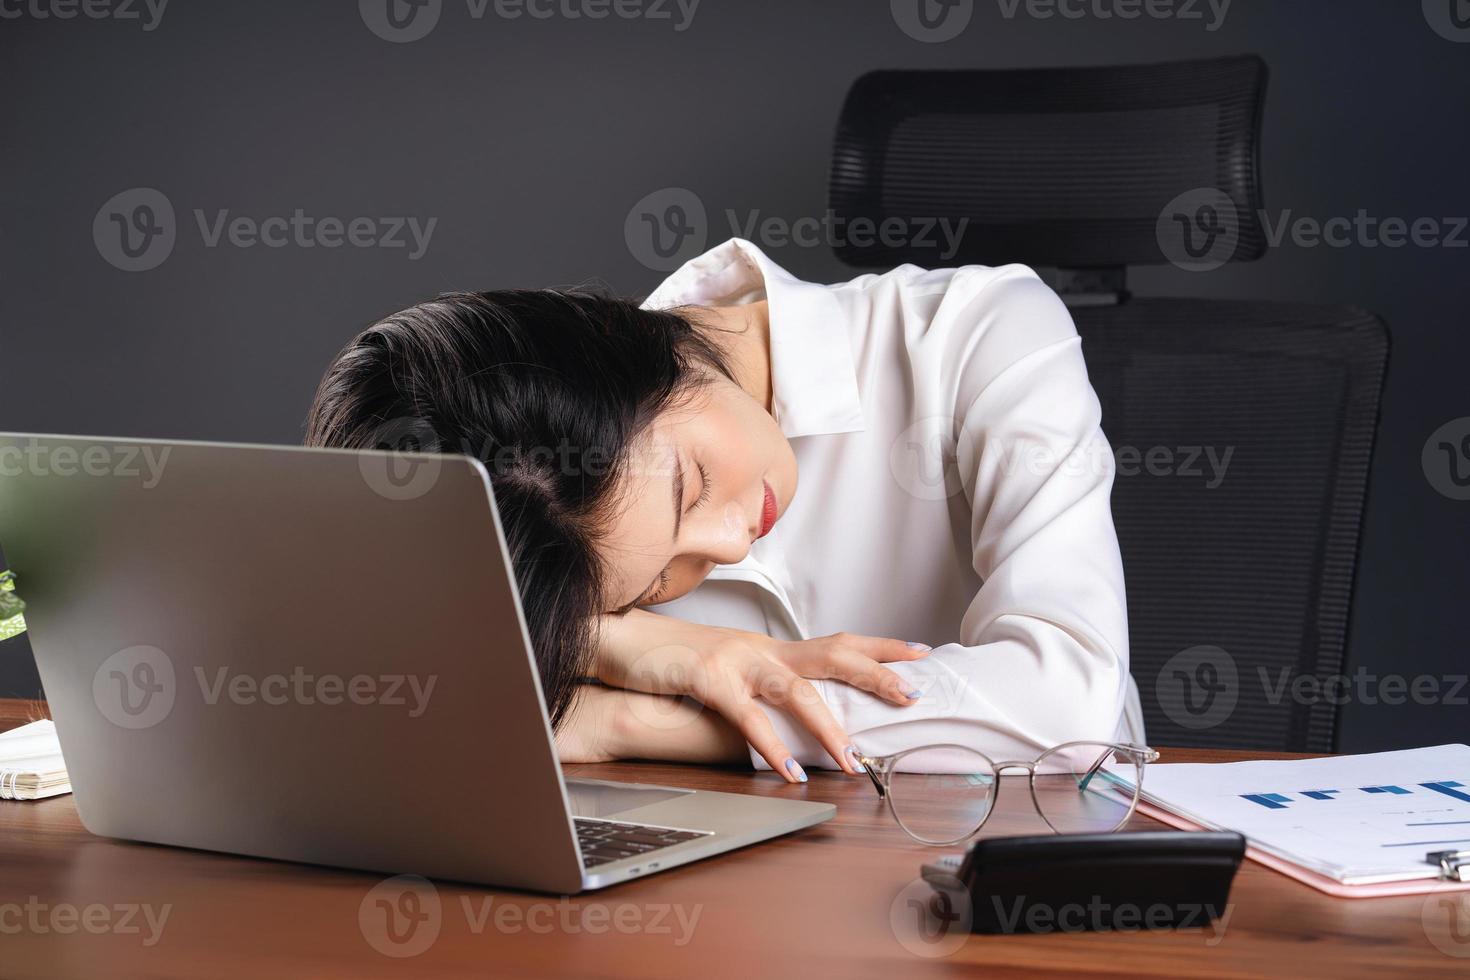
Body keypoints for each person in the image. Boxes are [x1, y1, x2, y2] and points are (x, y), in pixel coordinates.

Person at [306, 239, 1140, 783]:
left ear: (652, 344)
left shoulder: (979, 330)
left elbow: (1066, 706)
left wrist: (637, 720)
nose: (728, 548)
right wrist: (636, 639)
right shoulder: (559, 521)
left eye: (692, 485)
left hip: (1053, 855)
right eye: (656, 581)